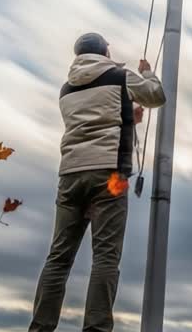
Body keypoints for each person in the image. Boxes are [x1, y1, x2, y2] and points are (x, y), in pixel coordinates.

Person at [29, 32, 166, 332]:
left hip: (70, 177)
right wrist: (146, 73)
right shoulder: (119, 75)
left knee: (58, 257)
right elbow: (156, 95)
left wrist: (130, 117)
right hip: (111, 176)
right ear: (105, 51)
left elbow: (93, 122)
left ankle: (39, 328)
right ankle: (97, 328)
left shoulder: (66, 89)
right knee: (106, 257)